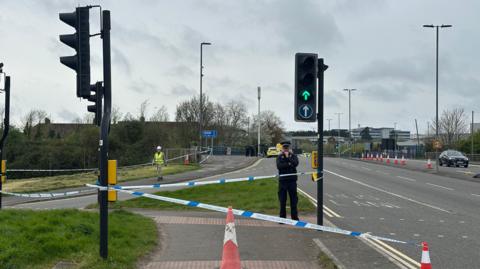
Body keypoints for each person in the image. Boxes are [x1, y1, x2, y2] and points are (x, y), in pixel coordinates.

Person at [276, 141, 299, 220]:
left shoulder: (293, 156)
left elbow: (295, 163)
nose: (286, 149)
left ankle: (294, 218)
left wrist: (288, 158)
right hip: (283, 181)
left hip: (292, 181)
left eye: (287, 148)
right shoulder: (279, 157)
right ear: (282, 148)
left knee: (294, 200)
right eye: (284, 148)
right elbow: (279, 166)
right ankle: (282, 218)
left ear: (289, 148)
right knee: (282, 200)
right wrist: (289, 164)